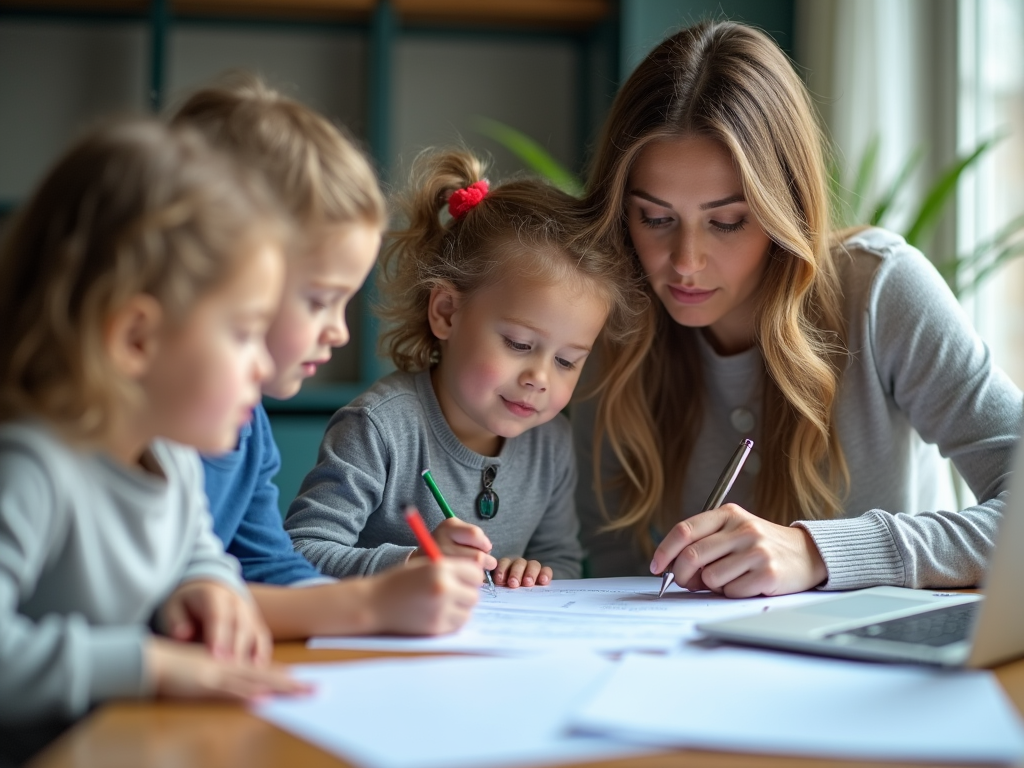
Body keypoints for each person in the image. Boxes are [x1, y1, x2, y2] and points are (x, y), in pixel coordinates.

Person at [576, 20, 1023, 596]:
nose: (685, 261)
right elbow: (614, 573)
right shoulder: (601, 319)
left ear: (786, 210)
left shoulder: (878, 290)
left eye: (728, 221)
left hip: (880, 669)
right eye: (656, 219)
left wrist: (819, 552)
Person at [0, 119, 307, 734]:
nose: (264, 364)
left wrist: (209, 586)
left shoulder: (172, 459)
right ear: (136, 337)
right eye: (244, 333)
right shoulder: (33, 469)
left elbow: (194, 551)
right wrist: (149, 665)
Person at [171, 77, 482, 637]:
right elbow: (155, 606)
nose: (338, 332)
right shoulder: (121, 437)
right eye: (319, 300)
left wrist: (382, 598)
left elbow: (267, 568)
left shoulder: (245, 426)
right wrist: (367, 606)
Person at [285, 150, 646, 588]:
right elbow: (301, 548)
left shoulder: (551, 446)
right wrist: (414, 562)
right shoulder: (380, 428)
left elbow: (560, 560)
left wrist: (532, 572)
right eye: (518, 344)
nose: (540, 377)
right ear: (447, 313)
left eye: (567, 361)